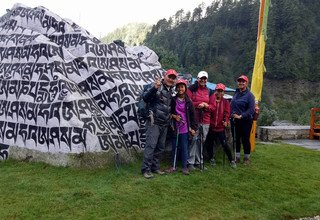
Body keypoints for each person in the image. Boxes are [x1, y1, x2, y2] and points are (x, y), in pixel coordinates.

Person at [141, 69, 177, 179]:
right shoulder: (156, 85)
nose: (171, 79)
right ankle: (145, 169)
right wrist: (154, 88)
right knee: (151, 146)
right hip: (154, 121)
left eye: (173, 78)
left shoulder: (171, 90)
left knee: (160, 147)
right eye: (169, 77)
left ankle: (155, 167)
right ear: (164, 76)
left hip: (165, 123)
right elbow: (145, 98)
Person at [166, 79, 198, 175]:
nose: (180, 89)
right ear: (176, 88)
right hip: (175, 127)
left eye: (182, 87)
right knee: (174, 147)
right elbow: (169, 112)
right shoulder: (173, 100)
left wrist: (194, 128)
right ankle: (173, 165)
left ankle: (185, 167)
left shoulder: (189, 101)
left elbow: (193, 116)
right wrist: (174, 116)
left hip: (184, 127)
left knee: (184, 147)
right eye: (179, 87)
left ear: (185, 88)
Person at [186, 71, 215, 170]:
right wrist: (199, 104)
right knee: (194, 139)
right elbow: (188, 102)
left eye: (205, 79)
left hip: (205, 120)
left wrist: (206, 106)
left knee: (201, 141)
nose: (203, 80)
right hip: (195, 119)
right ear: (197, 79)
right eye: (201, 78)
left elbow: (213, 106)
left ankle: (199, 162)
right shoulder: (192, 89)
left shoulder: (210, 91)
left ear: (206, 80)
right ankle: (190, 162)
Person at [205, 83, 236, 168]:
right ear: (215, 91)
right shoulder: (211, 100)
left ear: (223, 92)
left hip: (220, 128)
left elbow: (227, 113)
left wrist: (225, 121)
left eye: (221, 91)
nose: (219, 92)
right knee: (209, 143)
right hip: (211, 127)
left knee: (225, 144)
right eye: (218, 90)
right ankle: (211, 158)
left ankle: (231, 160)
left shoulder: (225, 102)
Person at [230, 75, 255, 165]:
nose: (241, 83)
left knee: (245, 139)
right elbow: (232, 105)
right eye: (239, 81)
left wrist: (241, 116)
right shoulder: (236, 93)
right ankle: (237, 157)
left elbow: (251, 110)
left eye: (243, 81)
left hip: (245, 121)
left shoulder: (250, 96)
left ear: (246, 83)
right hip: (235, 120)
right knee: (236, 139)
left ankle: (246, 158)